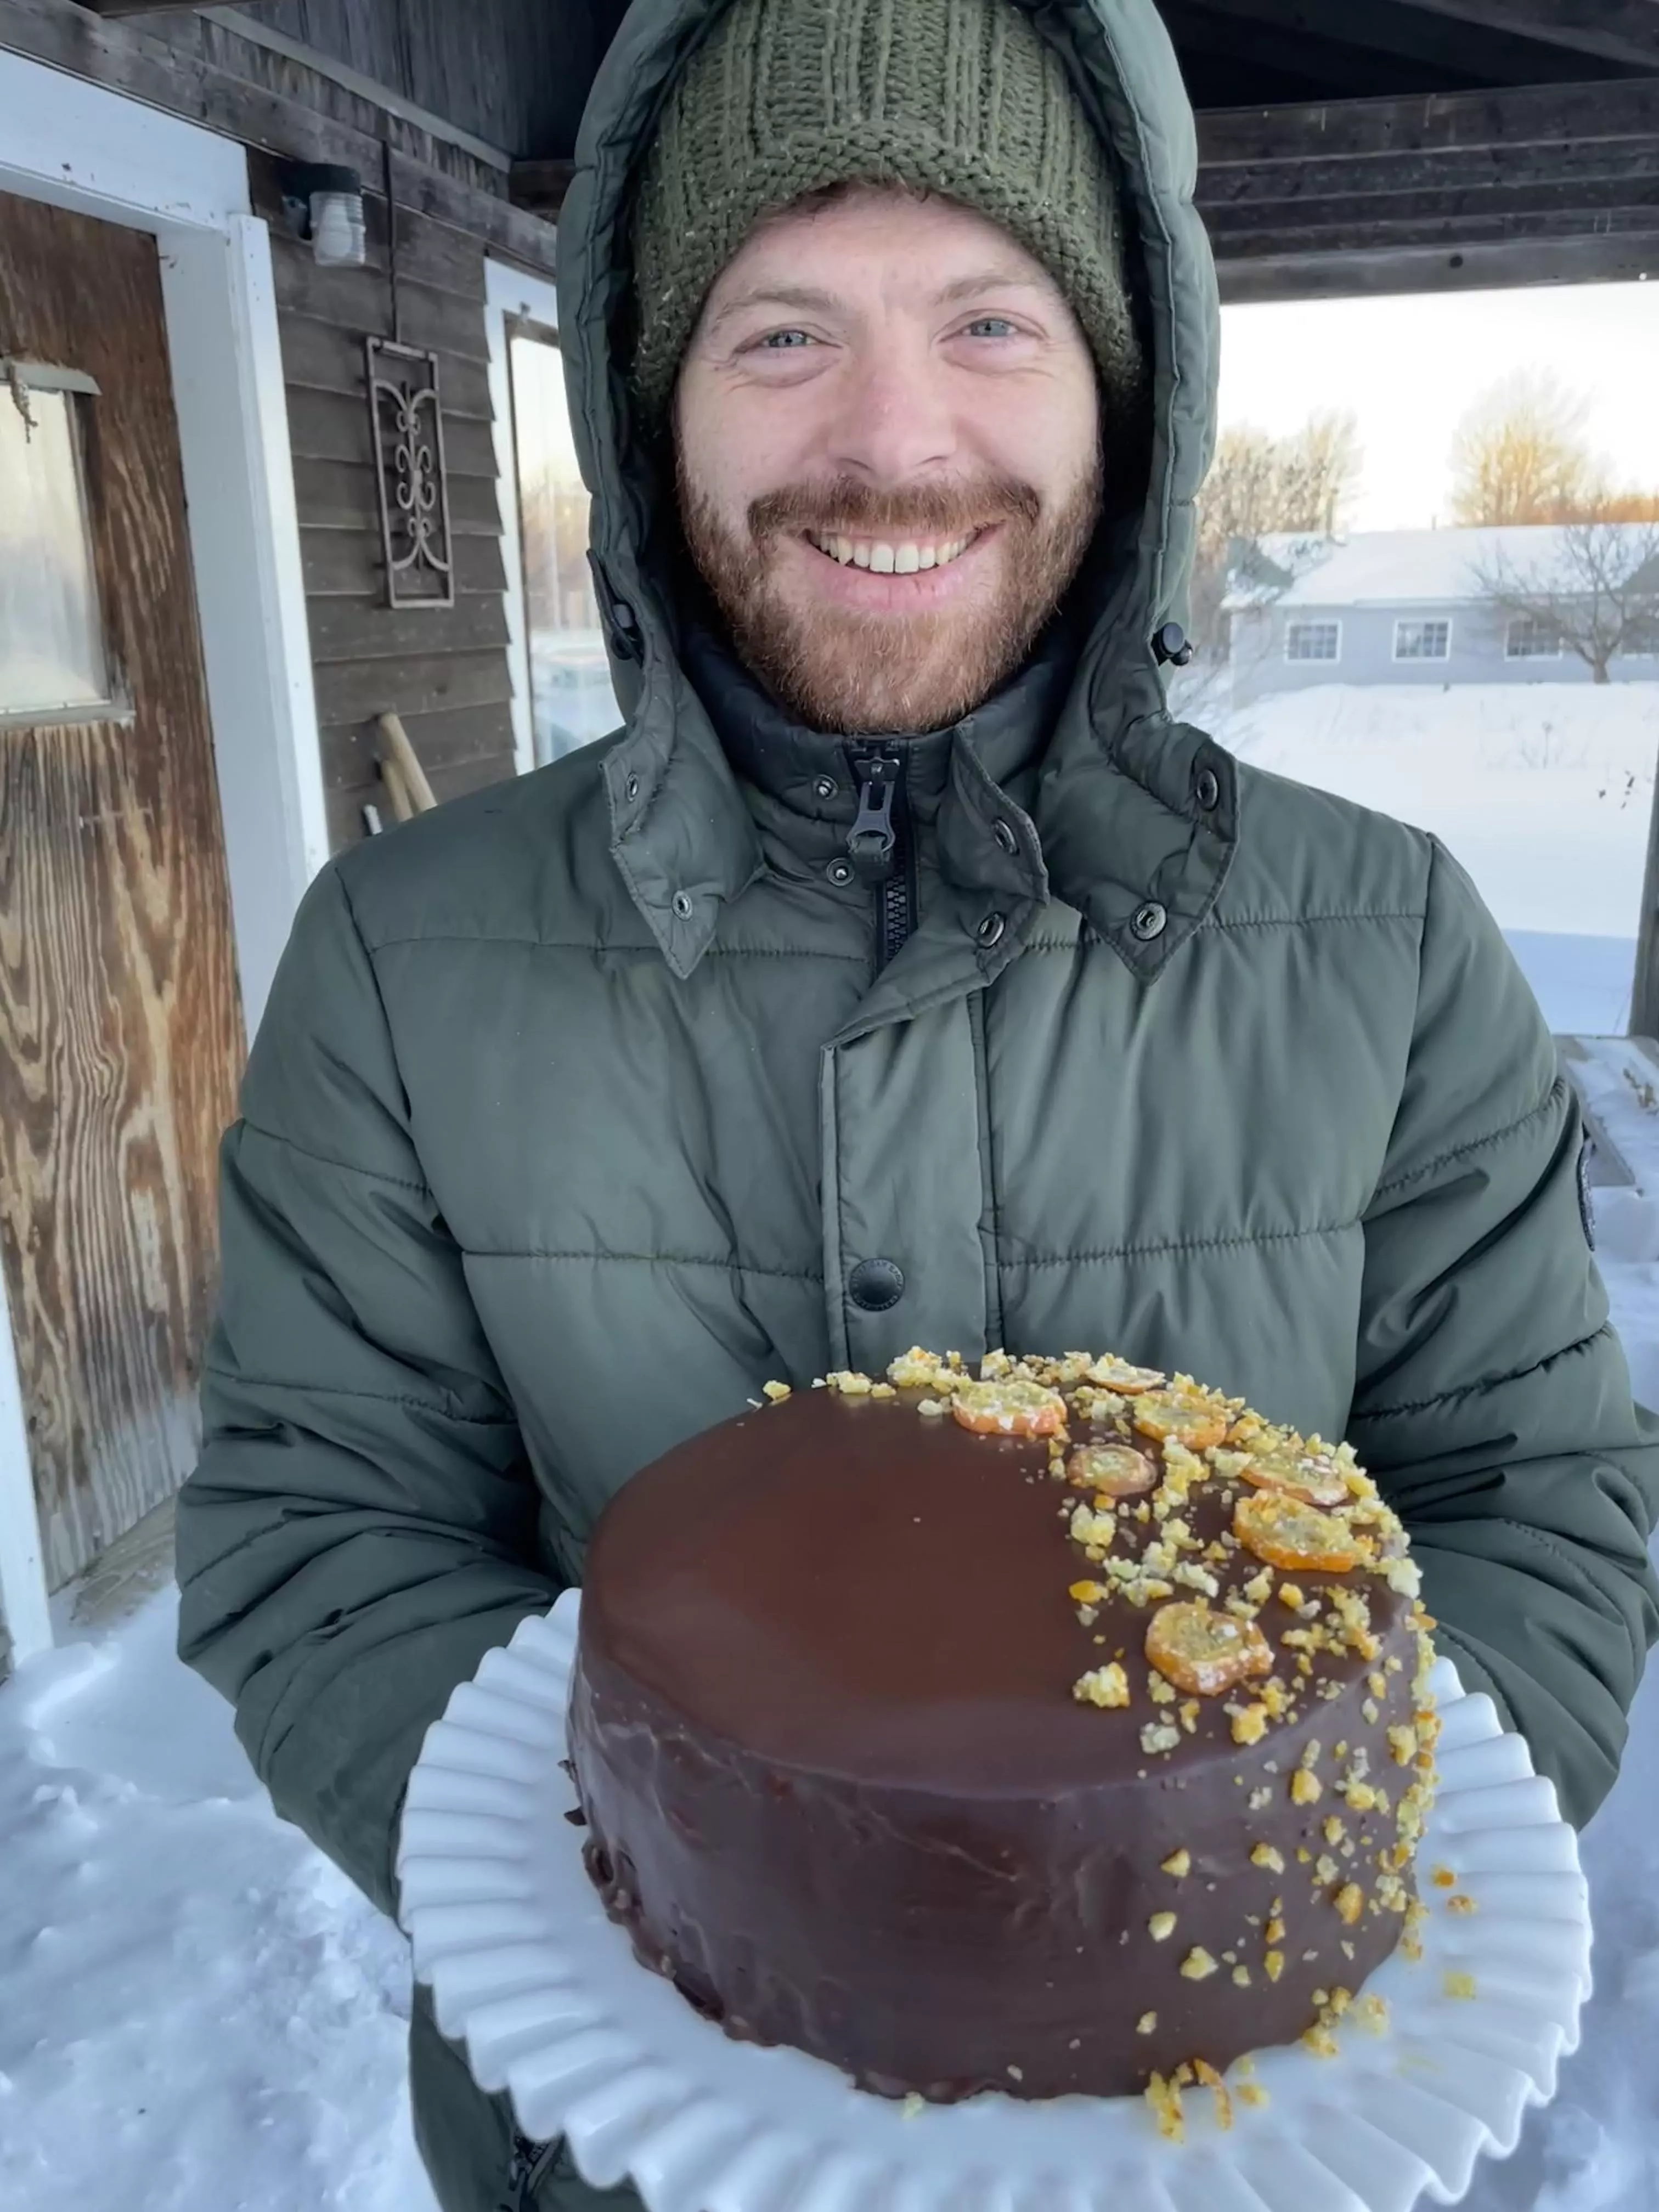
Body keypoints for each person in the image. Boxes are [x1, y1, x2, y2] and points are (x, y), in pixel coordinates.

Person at [174, 0, 1659, 2204]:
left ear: (1124, 387)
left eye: (990, 320)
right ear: (651, 398)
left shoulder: (1390, 938)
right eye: (782, 333)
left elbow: (1542, 1506)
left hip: (1228, 2147)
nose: (895, 439)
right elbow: (316, 1535)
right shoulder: (401, 957)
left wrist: (1234, 1895)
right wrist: (698, 1905)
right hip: (619, 2146)